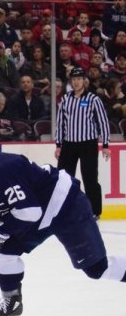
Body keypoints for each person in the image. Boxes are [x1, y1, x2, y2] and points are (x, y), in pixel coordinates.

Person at [0, 127, 126, 316]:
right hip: (42, 214)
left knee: (97, 269)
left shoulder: (2, 169)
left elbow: (29, 212)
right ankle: (11, 302)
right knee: (6, 249)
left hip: (67, 206)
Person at [55, 67, 110, 220]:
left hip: (88, 144)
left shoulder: (93, 99)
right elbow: (60, 124)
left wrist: (105, 145)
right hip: (69, 144)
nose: (76, 82)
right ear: (71, 81)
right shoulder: (65, 100)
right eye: (74, 79)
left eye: (79, 79)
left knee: (90, 178)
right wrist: (58, 145)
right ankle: (64, 209)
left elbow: (103, 122)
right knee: (64, 178)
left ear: (84, 81)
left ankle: (94, 210)